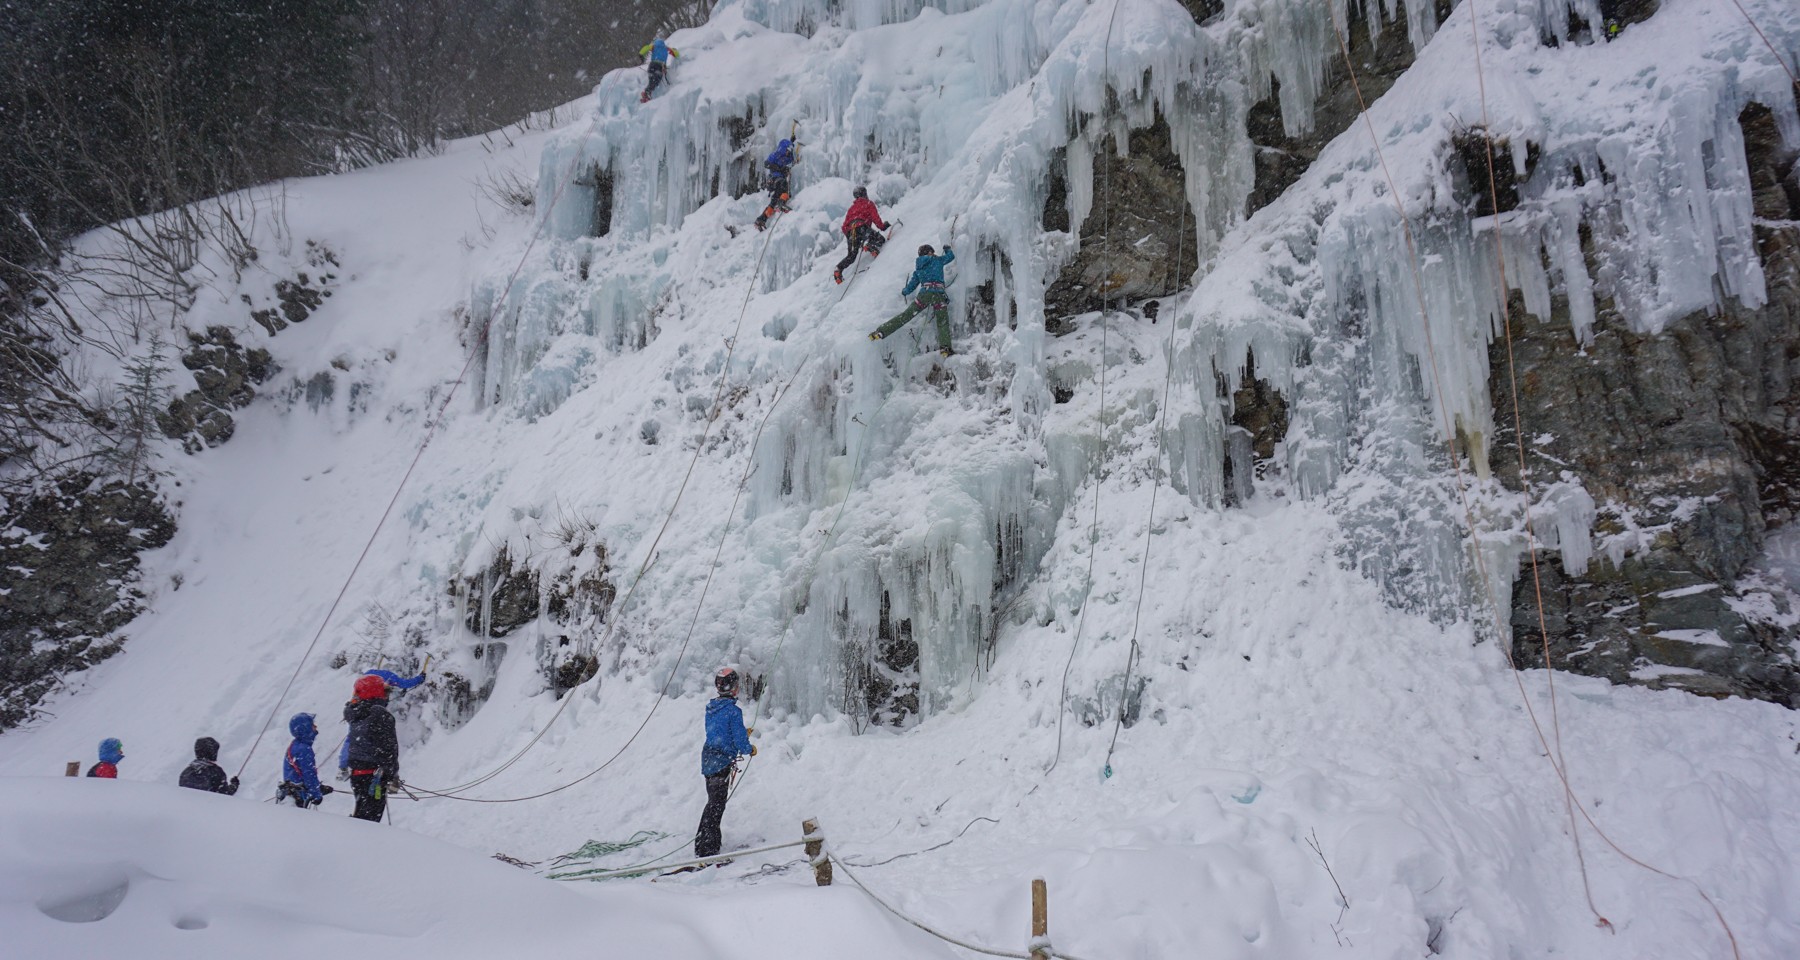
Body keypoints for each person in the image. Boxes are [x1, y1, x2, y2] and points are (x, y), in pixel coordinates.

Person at [694, 667, 755, 858]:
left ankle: (702, 844)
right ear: (734, 687)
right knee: (716, 805)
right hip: (721, 762)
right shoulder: (733, 711)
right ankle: (708, 849)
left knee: (712, 803)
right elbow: (737, 740)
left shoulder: (712, 707)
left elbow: (720, 732)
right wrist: (748, 748)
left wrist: (741, 735)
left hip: (709, 759)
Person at [869, 243, 957, 356]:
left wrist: (904, 291)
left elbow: (912, 286)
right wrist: (947, 249)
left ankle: (881, 331)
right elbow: (951, 257)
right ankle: (945, 348)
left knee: (906, 316)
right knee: (942, 322)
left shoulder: (919, 268)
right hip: (938, 294)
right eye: (932, 252)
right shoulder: (937, 260)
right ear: (930, 252)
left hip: (924, 294)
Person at [343, 674, 400, 822]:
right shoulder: (380, 715)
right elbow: (388, 749)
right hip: (375, 776)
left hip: (358, 774)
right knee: (370, 820)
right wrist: (392, 773)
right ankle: (362, 843)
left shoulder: (356, 713)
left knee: (362, 813)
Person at [833, 186, 890, 284]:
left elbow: (844, 226)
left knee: (851, 256)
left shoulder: (851, 209)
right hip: (862, 227)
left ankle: (838, 269)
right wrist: (883, 227)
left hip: (851, 231)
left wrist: (851, 237)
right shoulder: (868, 204)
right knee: (880, 239)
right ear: (864, 194)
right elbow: (876, 219)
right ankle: (869, 245)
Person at [278, 713, 332, 808]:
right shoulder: (304, 749)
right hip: (298, 798)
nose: (315, 727)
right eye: (312, 725)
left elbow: (296, 773)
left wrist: (319, 787)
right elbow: (309, 774)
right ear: (305, 728)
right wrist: (316, 794)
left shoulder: (295, 745)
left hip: (291, 793)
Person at [753, 138, 797, 232]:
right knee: (783, 185)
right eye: (787, 151)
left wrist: (793, 141)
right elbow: (767, 163)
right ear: (783, 148)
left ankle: (761, 220)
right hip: (774, 179)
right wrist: (778, 168)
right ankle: (781, 204)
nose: (788, 153)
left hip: (779, 181)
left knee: (775, 199)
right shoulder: (775, 155)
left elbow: (794, 161)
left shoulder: (789, 157)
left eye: (789, 151)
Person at [639, 36, 680, 103]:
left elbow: (646, 48)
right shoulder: (666, 48)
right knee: (656, 80)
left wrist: (641, 54)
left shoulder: (653, 46)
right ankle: (647, 92)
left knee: (652, 78)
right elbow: (676, 54)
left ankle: (647, 94)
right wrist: (675, 50)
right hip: (659, 66)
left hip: (652, 65)